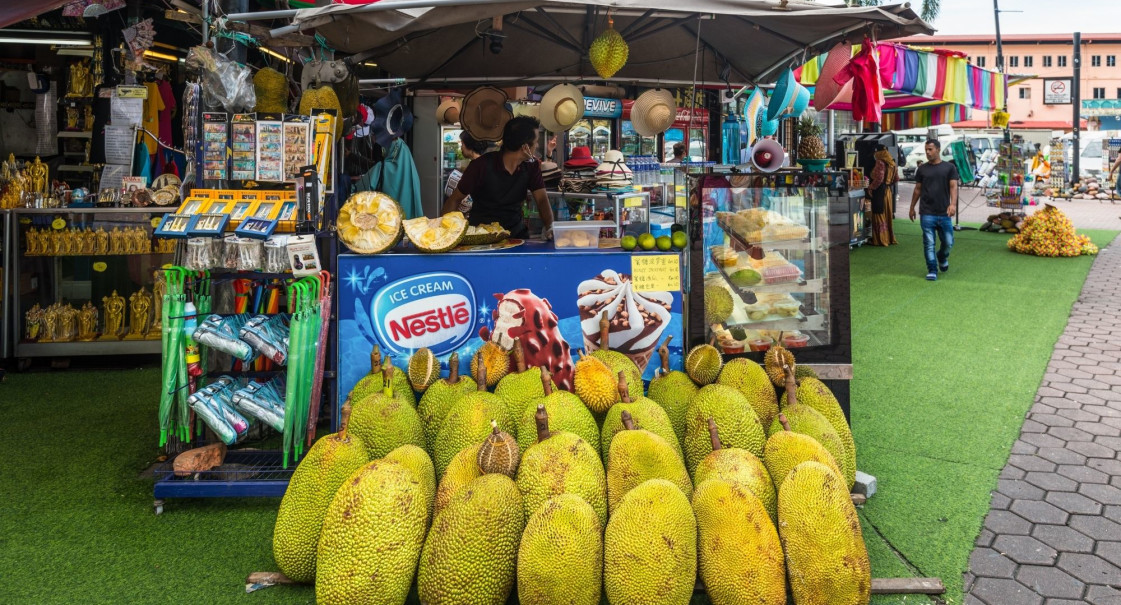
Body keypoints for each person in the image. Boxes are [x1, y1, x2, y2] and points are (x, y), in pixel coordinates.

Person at [442, 116, 554, 239]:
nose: (537, 146)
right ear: (525, 147)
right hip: (482, 236)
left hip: (516, 235)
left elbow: (542, 200)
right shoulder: (480, 166)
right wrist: (443, 233)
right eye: (536, 141)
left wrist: (550, 227)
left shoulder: (531, 167)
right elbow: (455, 199)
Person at [909, 138, 958, 281]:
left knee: (948, 242)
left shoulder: (949, 168)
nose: (927, 152)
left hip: (944, 212)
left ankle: (942, 256)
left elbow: (953, 186)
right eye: (926, 150)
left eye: (930, 149)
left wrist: (953, 204)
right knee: (929, 243)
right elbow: (917, 189)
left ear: (938, 149)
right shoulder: (922, 169)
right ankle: (932, 270)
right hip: (926, 212)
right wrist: (912, 208)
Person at [445, 131, 490, 216]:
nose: (461, 148)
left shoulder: (476, 166)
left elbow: (456, 199)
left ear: (469, 145)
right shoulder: (485, 162)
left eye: (462, 144)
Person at [865, 144, 898, 247]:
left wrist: (871, 187)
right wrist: (888, 184)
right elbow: (897, 179)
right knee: (886, 213)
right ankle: (888, 238)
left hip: (880, 191)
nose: (875, 155)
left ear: (879, 153)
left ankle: (880, 240)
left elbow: (879, 178)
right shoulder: (892, 163)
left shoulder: (880, 162)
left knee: (878, 212)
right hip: (888, 191)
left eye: (876, 153)